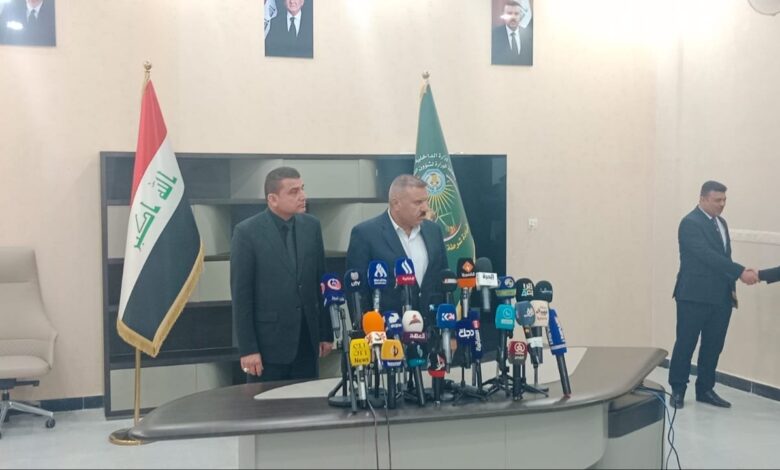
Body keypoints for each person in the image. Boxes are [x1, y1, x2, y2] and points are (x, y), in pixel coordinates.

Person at [231, 166, 332, 382]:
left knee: (308, 400)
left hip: (307, 341)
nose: (303, 196)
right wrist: (248, 349)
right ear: (273, 199)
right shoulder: (247, 232)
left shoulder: (312, 226)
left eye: (302, 188)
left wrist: (326, 333)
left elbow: (321, 283)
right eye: (294, 192)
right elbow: (242, 296)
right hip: (268, 346)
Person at [668, 180, 758, 409]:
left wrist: (733, 282)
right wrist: (740, 272)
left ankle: (705, 389)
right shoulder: (690, 223)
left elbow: (723, 257)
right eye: (717, 200)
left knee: (713, 345)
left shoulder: (722, 223)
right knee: (686, 343)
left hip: (720, 297)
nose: (722, 204)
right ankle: (678, 390)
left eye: (724, 200)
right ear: (702, 199)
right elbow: (707, 256)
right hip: (694, 296)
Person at [346, 174, 449, 315]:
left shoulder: (434, 231)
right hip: (389, 326)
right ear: (396, 204)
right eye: (418, 202)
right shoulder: (366, 234)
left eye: (426, 201)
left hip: (432, 324)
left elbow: (444, 281)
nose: (425, 208)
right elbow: (357, 294)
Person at [491, 0, 533, 66]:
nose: (513, 17)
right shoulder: (494, 35)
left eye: (516, 14)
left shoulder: (530, 36)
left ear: (521, 16)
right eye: (509, 13)